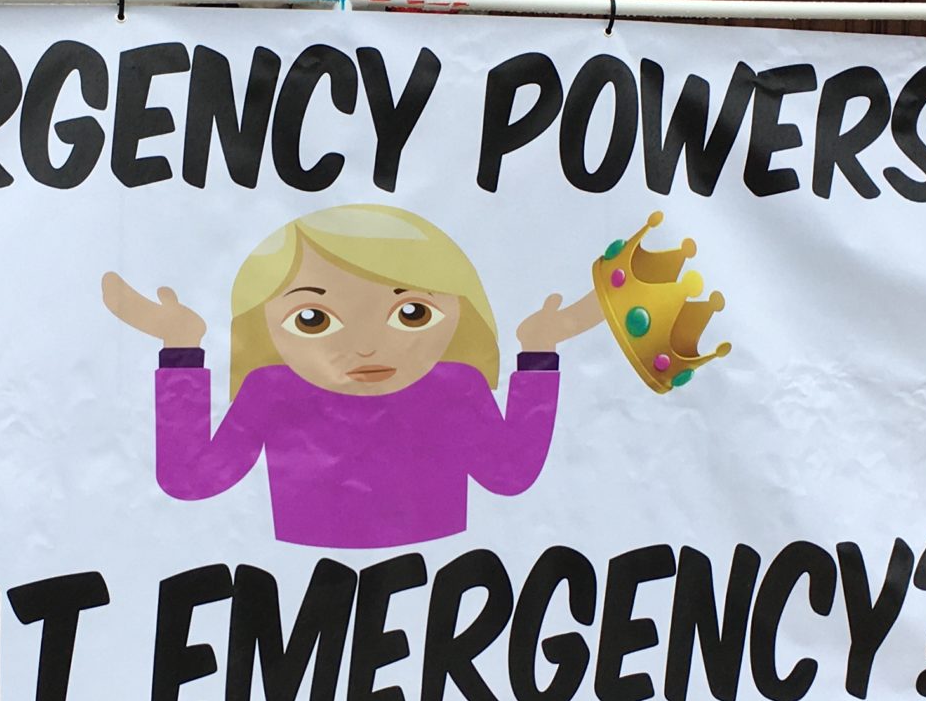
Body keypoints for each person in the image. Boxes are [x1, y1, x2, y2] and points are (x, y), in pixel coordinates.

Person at [99, 205, 603, 549]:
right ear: (265, 326)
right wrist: (181, 351)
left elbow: (509, 474)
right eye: (313, 319)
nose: (365, 346)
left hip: (437, 587)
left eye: (411, 313)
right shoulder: (271, 389)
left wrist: (539, 352)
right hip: (296, 591)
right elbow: (190, 479)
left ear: (460, 311)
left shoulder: (458, 385)